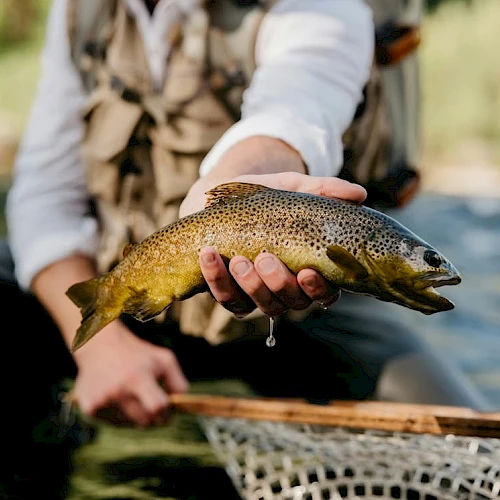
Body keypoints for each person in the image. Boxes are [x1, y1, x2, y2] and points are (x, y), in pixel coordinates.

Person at [1, 0, 487, 497]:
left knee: (470, 460)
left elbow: (296, 107)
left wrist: (235, 180)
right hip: (138, 291)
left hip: (304, 318)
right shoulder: (79, 10)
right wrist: (103, 348)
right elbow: (43, 198)